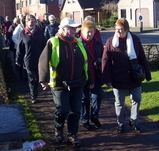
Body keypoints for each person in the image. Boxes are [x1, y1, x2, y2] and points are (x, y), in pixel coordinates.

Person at [38, 17, 93, 147]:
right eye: (71, 28)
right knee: (63, 109)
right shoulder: (53, 42)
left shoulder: (78, 43)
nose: (74, 30)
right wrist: (43, 79)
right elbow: (43, 61)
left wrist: (90, 79)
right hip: (59, 84)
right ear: (63, 29)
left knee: (75, 110)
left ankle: (72, 134)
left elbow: (85, 62)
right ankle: (58, 127)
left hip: (78, 83)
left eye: (75, 28)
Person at [101, 18, 151, 134]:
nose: (118, 32)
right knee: (119, 102)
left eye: (121, 30)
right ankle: (121, 123)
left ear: (127, 29)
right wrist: (107, 79)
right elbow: (105, 61)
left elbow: (142, 57)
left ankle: (134, 121)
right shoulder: (110, 42)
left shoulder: (135, 40)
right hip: (117, 77)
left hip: (134, 76)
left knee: (137, 98)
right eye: (117, 29)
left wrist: (147, 74)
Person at [79, 20, 104, 131]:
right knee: (84, 99)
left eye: (92, 32)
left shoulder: (98, 42)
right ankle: (85, 120)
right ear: (82, 32)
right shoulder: (77, 43)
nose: (90, 34)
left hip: (95, 75)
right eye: (88, 32)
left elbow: (103, 57)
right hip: (82, 76)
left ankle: (94, 117)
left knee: (97, 97)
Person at [16, 14, 46, 103]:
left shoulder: (40, 31)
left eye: (33, 21)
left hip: (39, 59)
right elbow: (19, 48)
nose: (32, 23)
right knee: (31, 78)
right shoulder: (22, 33)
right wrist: (18, 59)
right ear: (26, 22)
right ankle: (33, 96)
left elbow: (44, 45)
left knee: (37, 78)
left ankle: (35, 91)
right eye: (30, 21)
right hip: (28, 60)